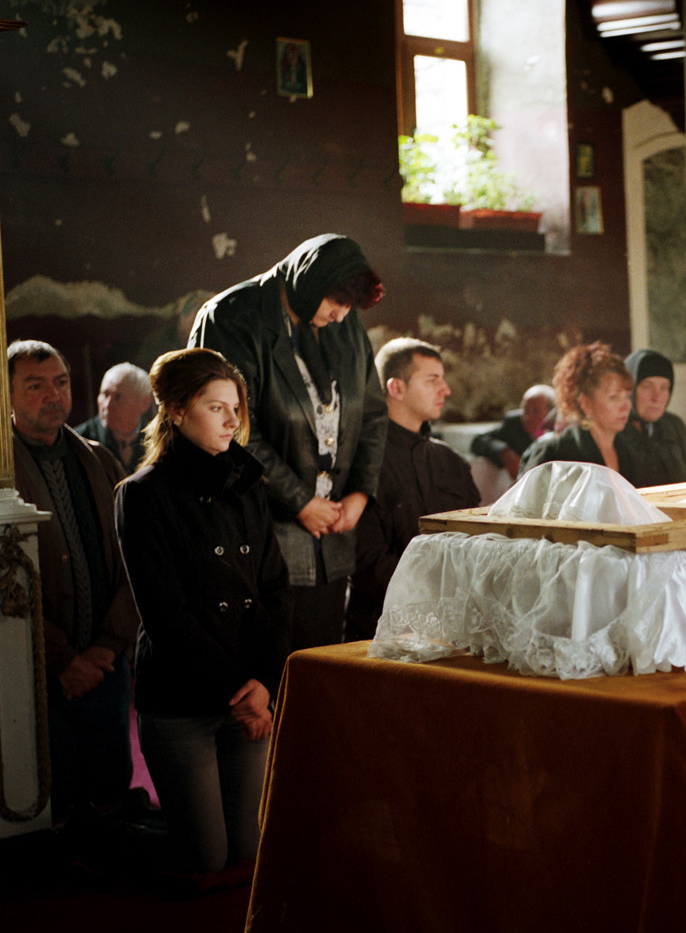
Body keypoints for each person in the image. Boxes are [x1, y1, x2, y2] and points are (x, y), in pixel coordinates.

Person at [114, 348, 290, 877]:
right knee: (205, 859)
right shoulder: (143, 495)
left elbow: (276, 591)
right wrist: (240, 692)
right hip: (183, 696)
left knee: (248, 851)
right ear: (175, 412)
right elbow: (167, 616)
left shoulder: (246, 484)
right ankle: (101, 829)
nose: (233, 420)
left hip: (247, 693)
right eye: (216, 408)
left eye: (235, 407)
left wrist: (264, 684)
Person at [188, 233, 387, 650]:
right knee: (266, 673)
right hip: (258, 536)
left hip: (330, 537)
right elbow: (232, 425)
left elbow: (371, 413)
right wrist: (298, 501)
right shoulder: (232, 316)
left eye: (349, 307)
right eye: (335, 302)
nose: (340, 315)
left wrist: (360, 492)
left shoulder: (344, 323)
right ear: (309, 283)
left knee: (318, 669)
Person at [9, 340, 140, 823]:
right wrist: (63, 659)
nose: (53, 395)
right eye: (35, 385)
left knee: (110, 794)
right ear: (7, 397)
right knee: (52, 806)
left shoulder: (99, 460)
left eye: (60, 383)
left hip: (105, 665)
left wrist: (107, 646)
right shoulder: (2, 470)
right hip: (37, 671)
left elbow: (137, 561)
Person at [346, 338, 481, 641]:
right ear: (396, 388)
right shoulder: (364, 462)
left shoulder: (453, 463)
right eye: (432, 380)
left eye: (443, 380)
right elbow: (366, 562)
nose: (445, 390)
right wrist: (437, 591)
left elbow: (477, 545)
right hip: (379, 631)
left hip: (451, 631)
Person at [519, 342, 647, 484]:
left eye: (627, 396)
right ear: (585, 403)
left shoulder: (628, 451)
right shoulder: (556, 453)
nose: (627, 406)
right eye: (614, 397)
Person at [624, 348, 686, 486]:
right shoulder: (614, 428)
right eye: (647, 387)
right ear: (630, 390)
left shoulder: (674, 425)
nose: (657, 398)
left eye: (664, 388)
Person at [76, 362, 154, 477]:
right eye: (105, 394)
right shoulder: (79, 441)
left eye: (118, 397)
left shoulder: (157, 440)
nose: (107, 405)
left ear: (145, 403)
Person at [471, 383, 555, 480]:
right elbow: (478, 441)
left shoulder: (560, 432)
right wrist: (505, 453)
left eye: (536, 411)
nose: (528, 417)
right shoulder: (514, 424)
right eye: (526, 410)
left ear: (551, 413)